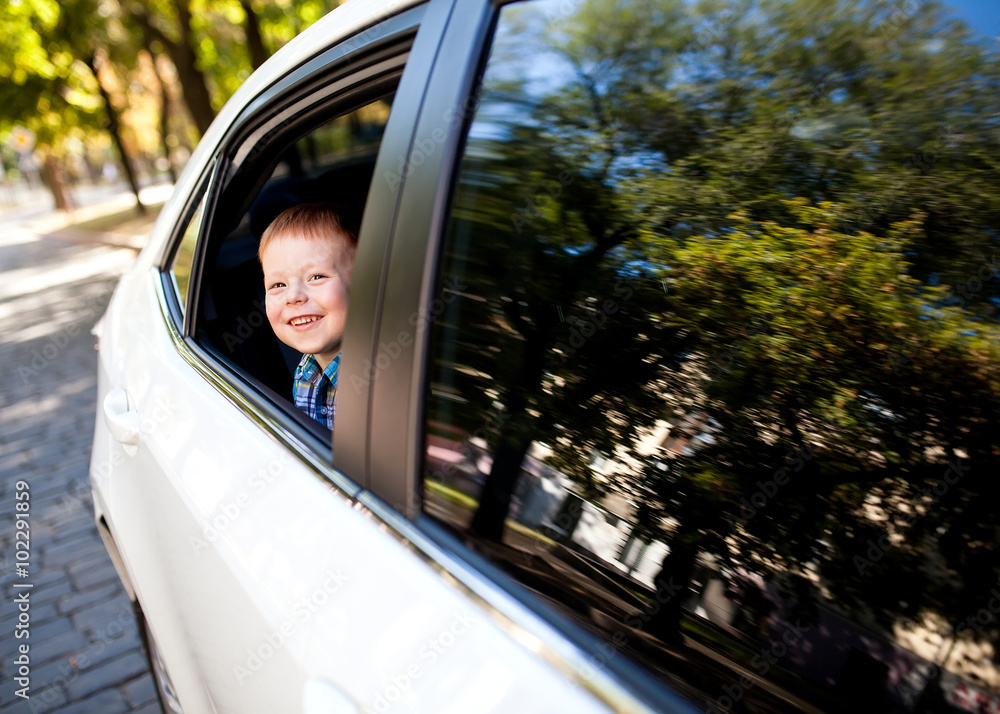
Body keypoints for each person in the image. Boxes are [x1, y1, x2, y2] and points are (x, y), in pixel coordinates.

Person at [258, 203, 356, 430]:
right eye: (278, 284)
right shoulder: (306, 372)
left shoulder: (384, 381)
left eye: (317, 276)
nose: (293, 296)